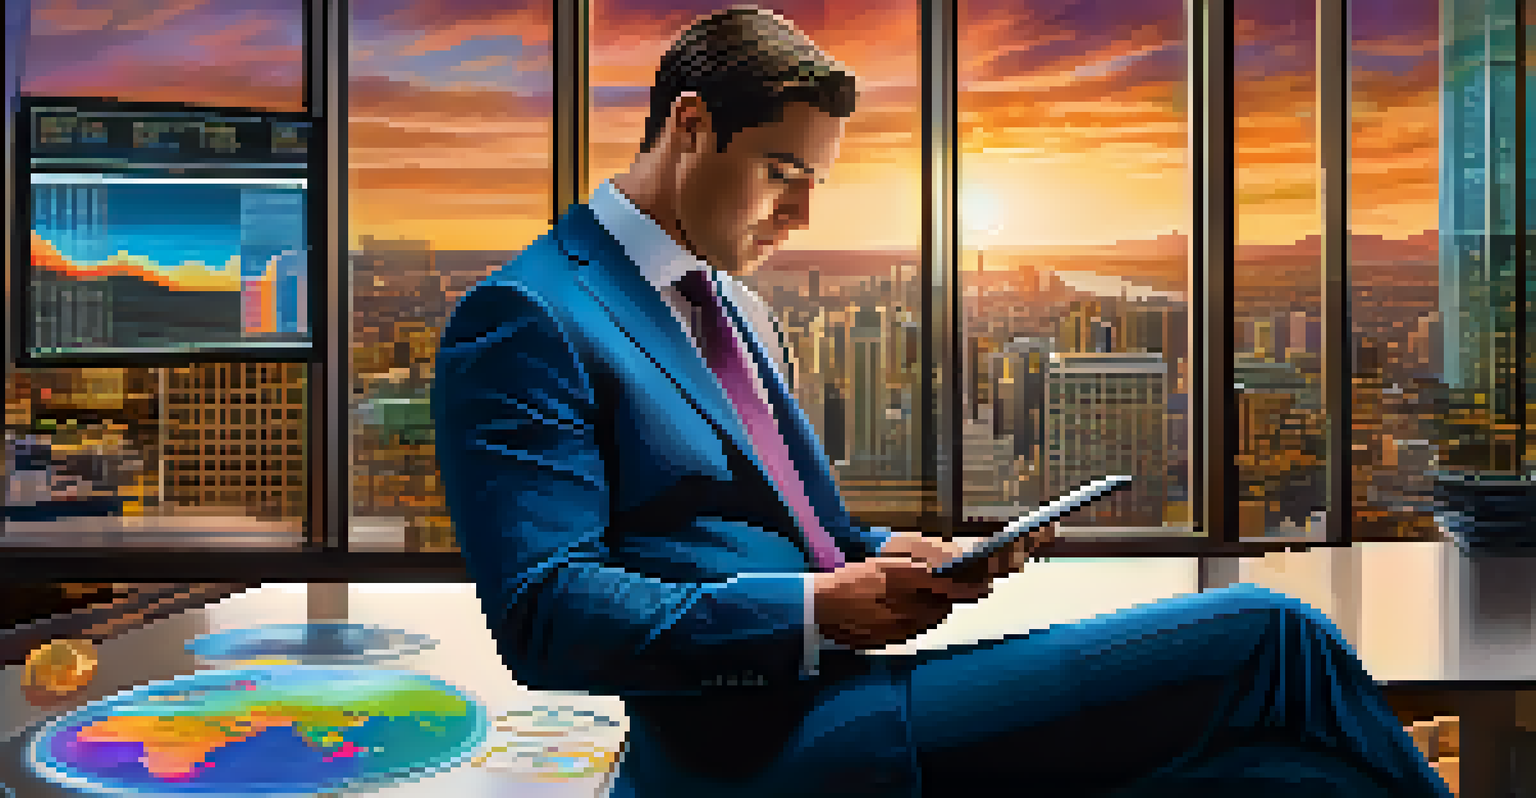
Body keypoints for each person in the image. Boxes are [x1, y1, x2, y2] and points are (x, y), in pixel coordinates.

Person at [431, 6, 1452, 797]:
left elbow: (787, 532)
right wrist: (816, 610)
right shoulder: (529, 316)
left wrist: (889, 555)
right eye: (782, 173)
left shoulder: (731, 303)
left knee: (1295, 776)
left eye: (816, 181)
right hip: (759, 749)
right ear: (691, 126)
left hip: (840, 693)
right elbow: (544, 613)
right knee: (1273, 634)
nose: (802, 214)